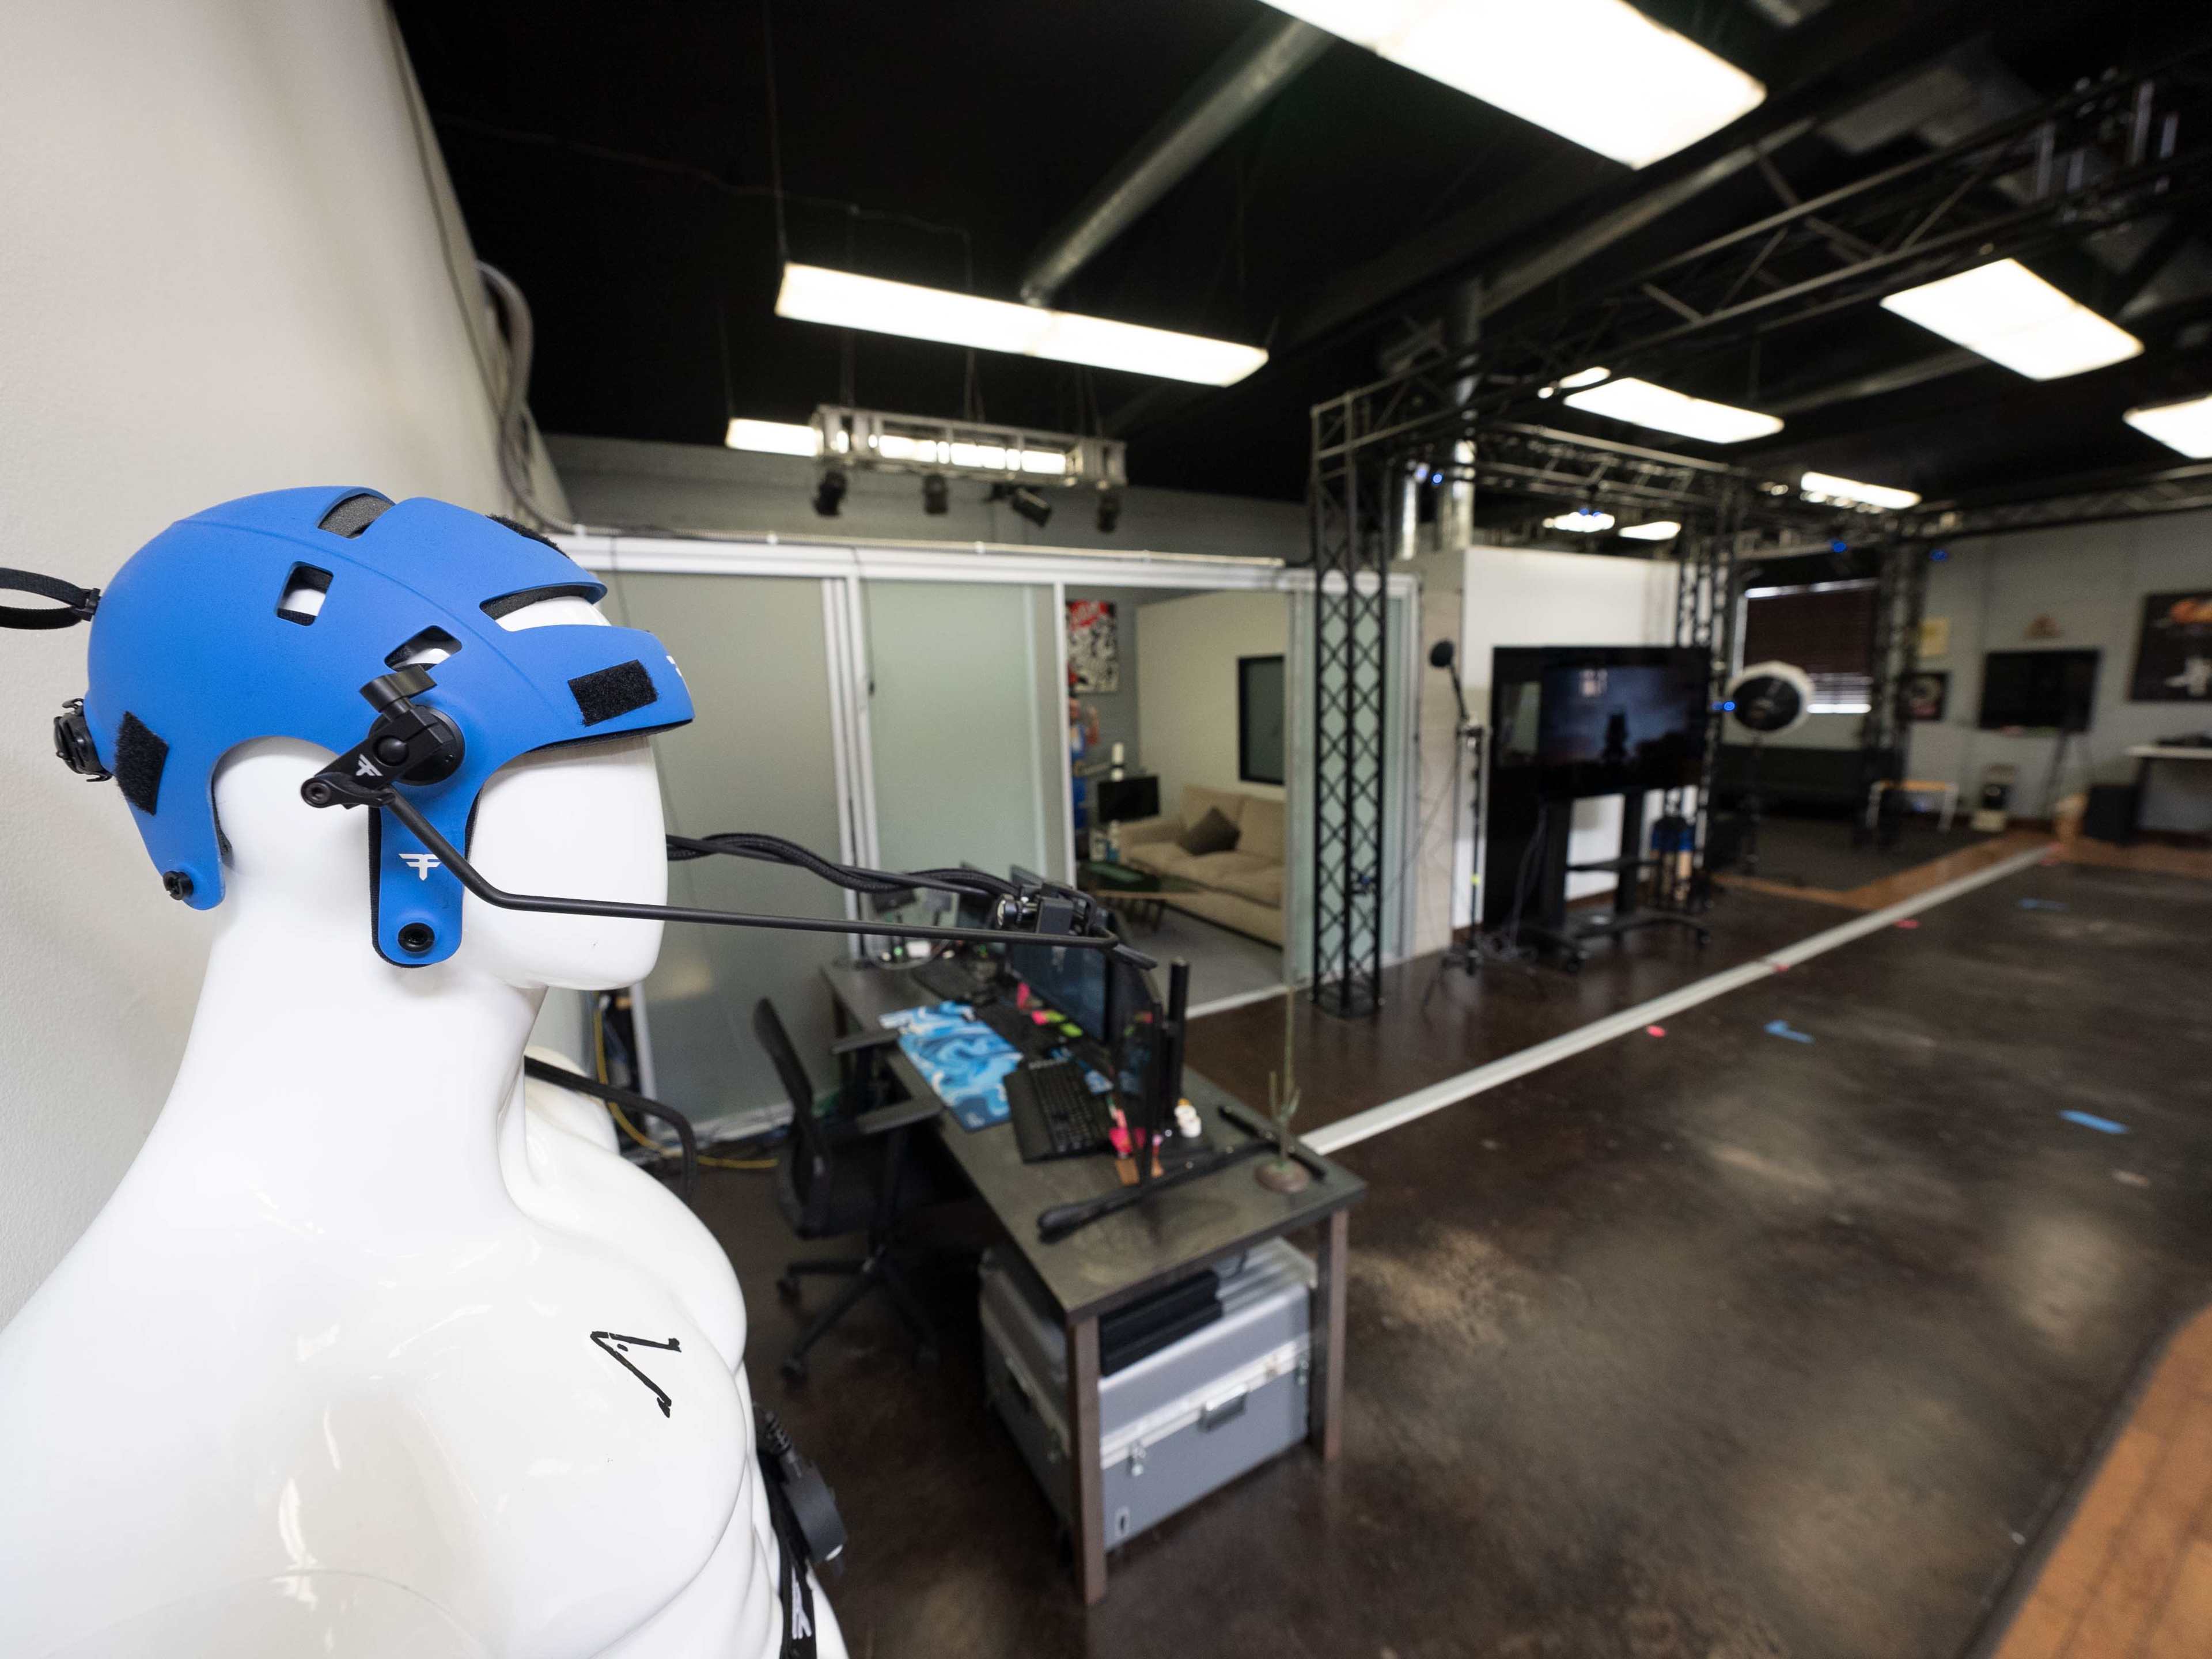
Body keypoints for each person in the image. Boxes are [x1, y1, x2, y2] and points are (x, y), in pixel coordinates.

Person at [0, 490, 844, 1659]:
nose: (630, 806)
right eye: (565, 748)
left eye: (634, 741)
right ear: (285, 804)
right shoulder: (148, 1436)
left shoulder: (561, 1120)